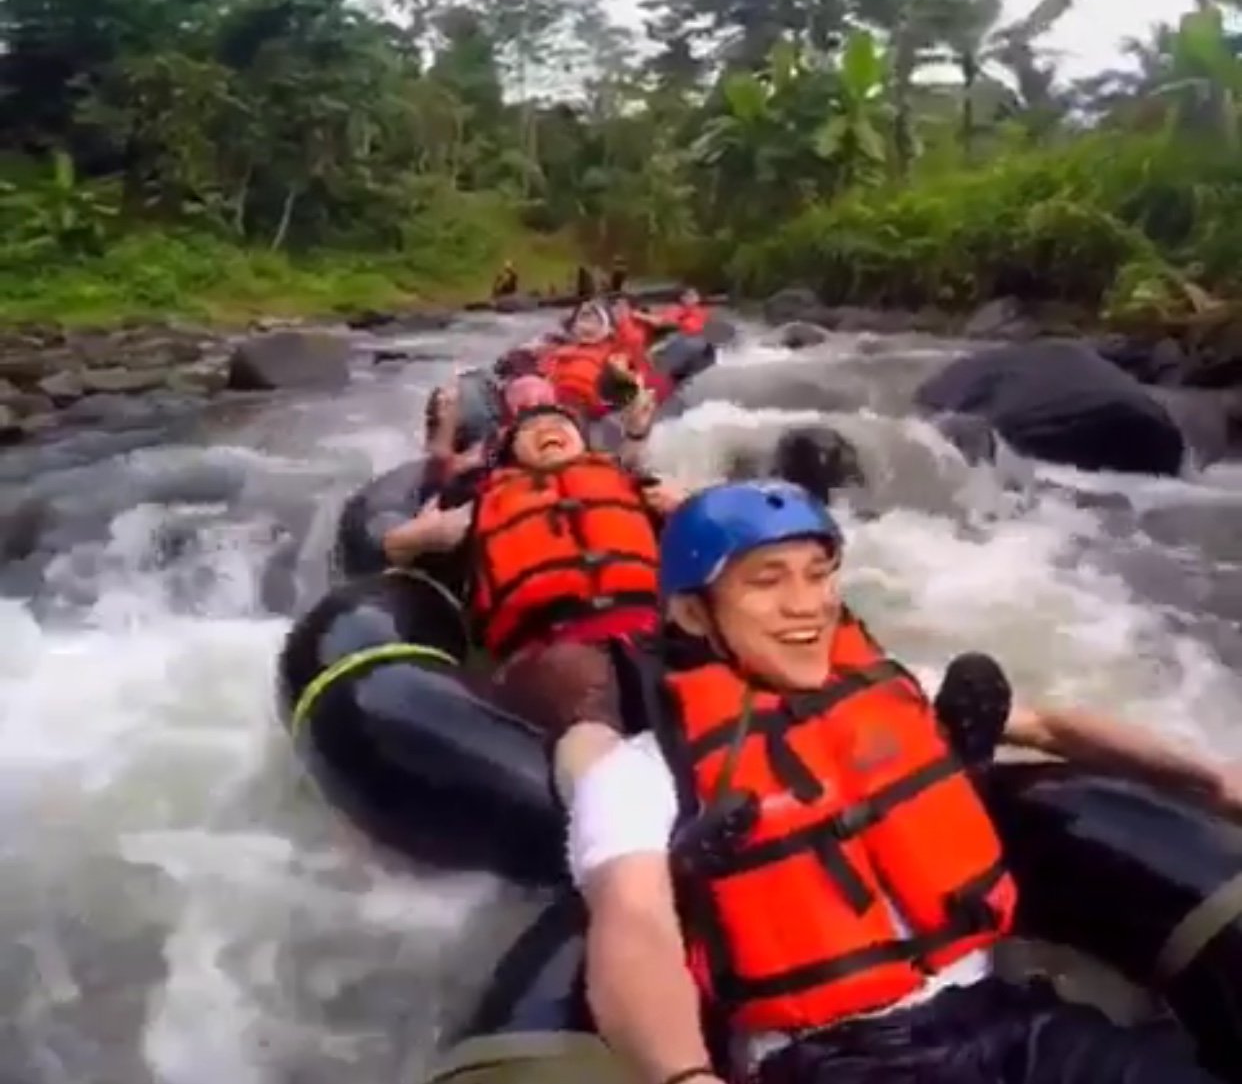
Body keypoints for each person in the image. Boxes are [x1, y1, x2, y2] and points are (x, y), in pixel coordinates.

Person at [556, 481, 1239, 1084]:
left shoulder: (891, 691)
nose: (808, 605)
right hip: (829, 1056)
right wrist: (685, 1074)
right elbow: (635, 923)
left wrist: (1211, 779)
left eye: (820, 574)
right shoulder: (645, 772)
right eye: (768, 581)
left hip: (1006, 1017)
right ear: (692, 613)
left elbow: (1052, 727)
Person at [383, 395, 684, 735]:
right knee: (582, 702)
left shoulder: (633, 486)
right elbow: (395, 550)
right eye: (532, 428)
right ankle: (597, 775)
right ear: (513, 453)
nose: (548, 428)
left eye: (560, 424)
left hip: (652, 639)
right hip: (552, 648)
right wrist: (422, 536)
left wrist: (685, 507)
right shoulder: (479, 504)